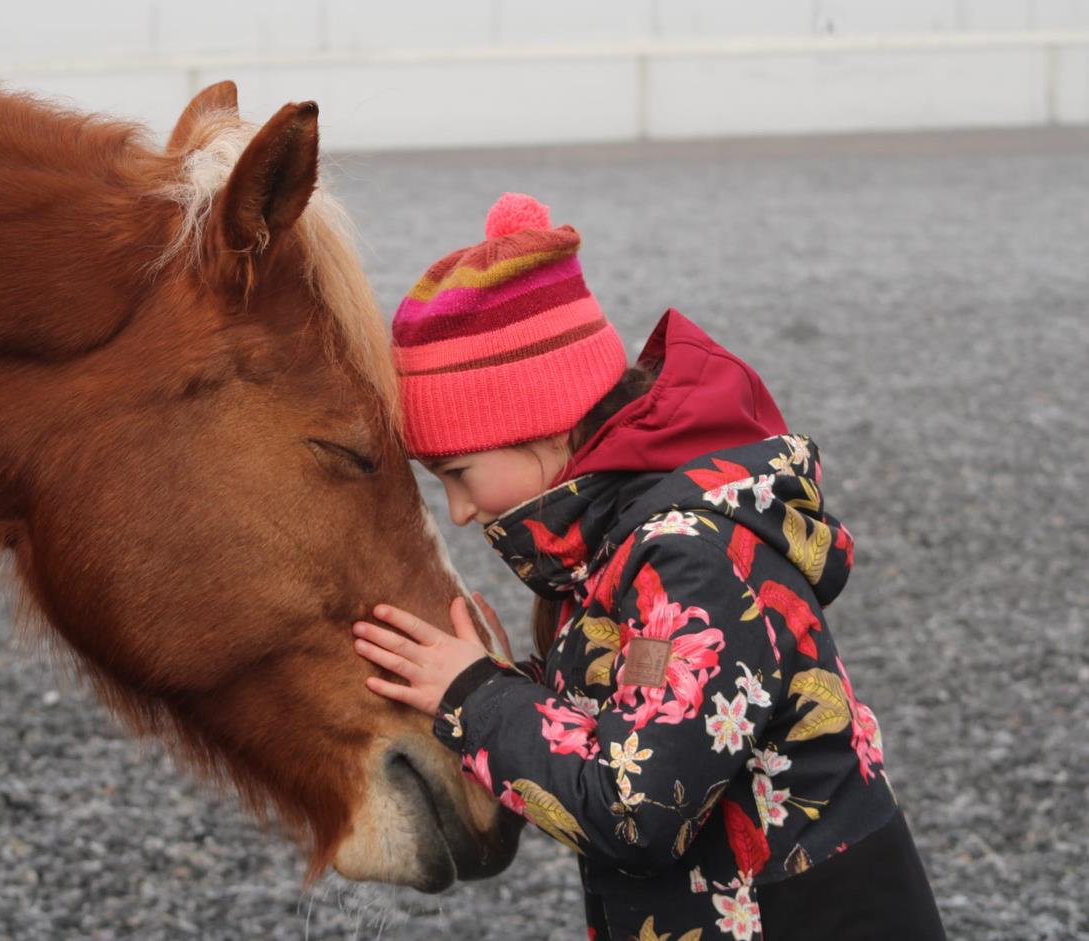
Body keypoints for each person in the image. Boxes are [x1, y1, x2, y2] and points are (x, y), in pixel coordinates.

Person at [351, 193, 946, 940]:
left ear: (537, 424)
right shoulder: (626, 546)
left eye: (459, 472)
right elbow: (642, 720)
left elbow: (636, 808)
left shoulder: (688, 556)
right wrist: (508, 683)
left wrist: (473, 699)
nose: (460, 510)